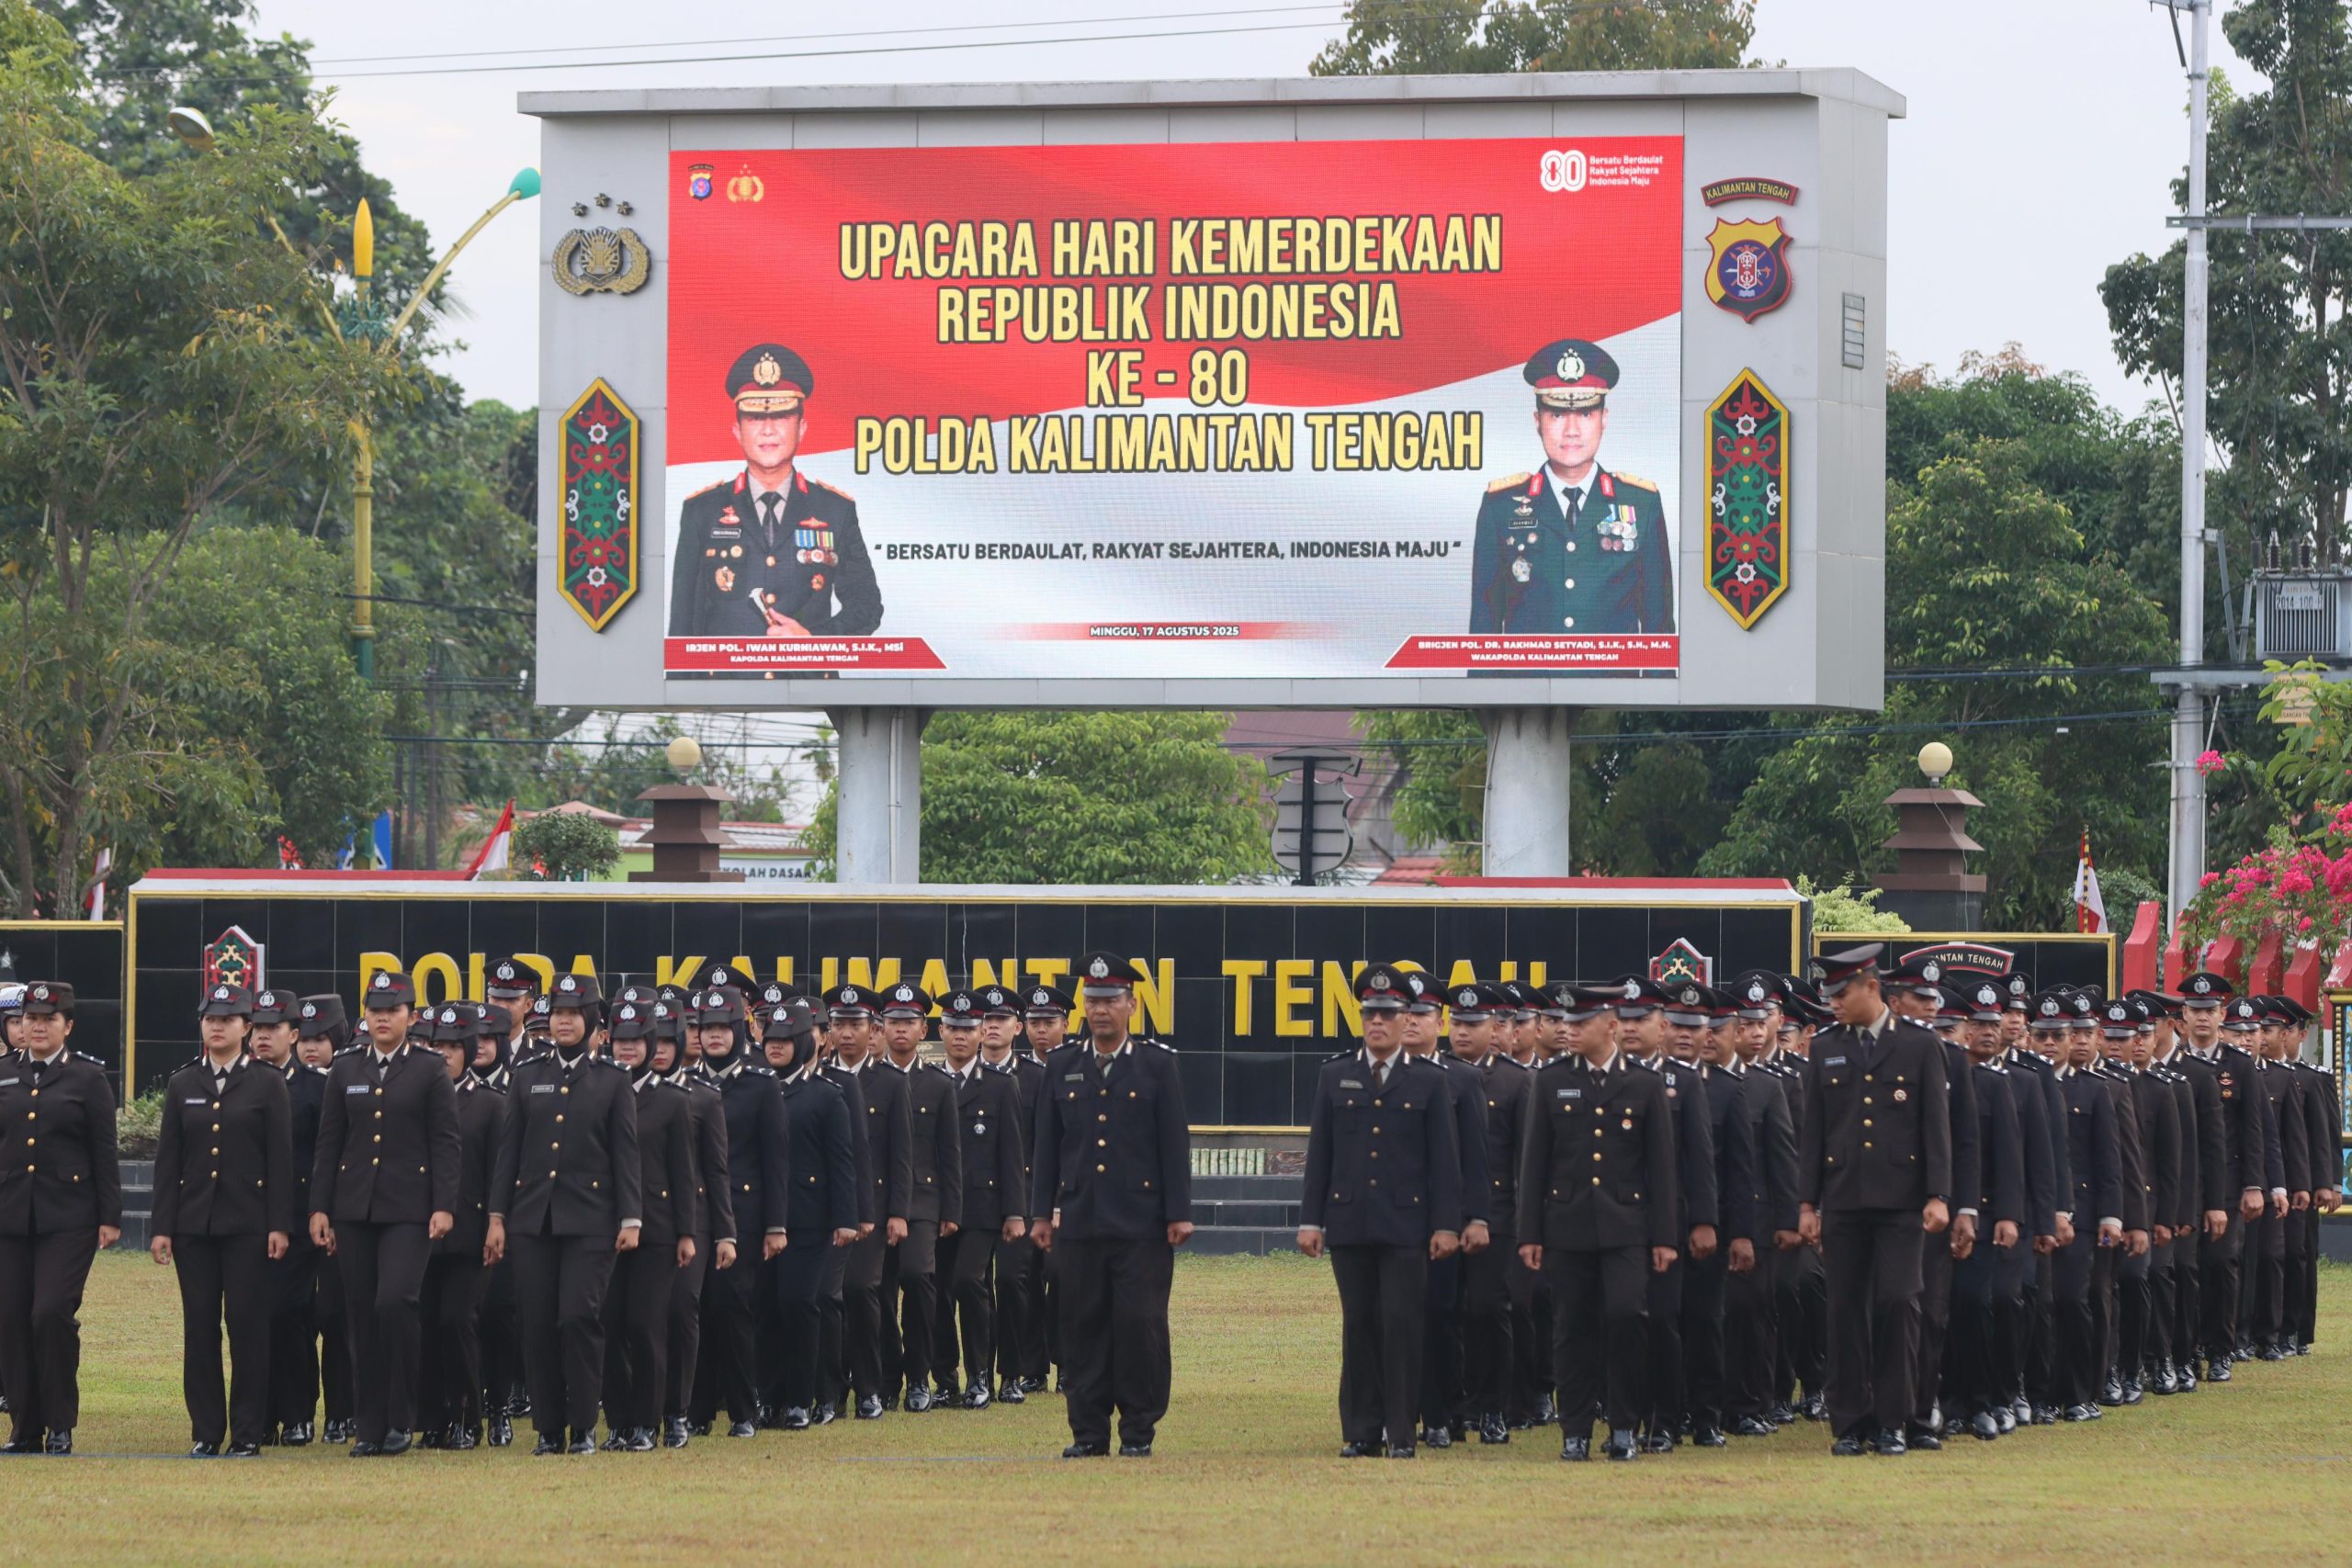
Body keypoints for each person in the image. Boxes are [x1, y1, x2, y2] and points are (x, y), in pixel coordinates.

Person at [1028, 950, 1193, 1459]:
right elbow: (1047, 1146)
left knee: (1140, 1325)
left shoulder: (1157, 1065)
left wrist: (1178, 1212)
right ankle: (1088, 1432)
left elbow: (1174, 1143)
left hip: (1141, 1224)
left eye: (1112, 1000)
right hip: (1079, 1220)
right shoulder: (1063, 1065)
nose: (1101, 1009)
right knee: (1082, 1327)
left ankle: (1139, 1431)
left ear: (1132, 1005)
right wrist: (1040, 1213)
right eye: (1093, 1000)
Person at [1298, 967, 1463, 1458]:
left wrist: (1446, 1224)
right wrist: (1311, 1220)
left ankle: (1401, 1431)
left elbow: (1444, 1161)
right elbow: (1320, 1154)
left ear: (1403, 1019)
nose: (1378, 1023)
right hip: (1350, 1222)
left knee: (1401, 1323)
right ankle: (1362, 1430)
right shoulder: (1335, 1075)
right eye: (1370, 1013)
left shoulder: (1430, 1081)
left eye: (1388, 1014)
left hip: (1406, 1225)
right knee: (1360, 1324)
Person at [1798, 945, 1951, 1457]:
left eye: (1842, 993)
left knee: (1897, 1304)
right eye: (1829, 995)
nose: (1834, 1003)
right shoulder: (1824, 1048)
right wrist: (1806, 1204)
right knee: (1844, 1311)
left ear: (1871, 987)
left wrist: (1938, 1194)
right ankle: (1850, 1422)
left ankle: (1895, 1419)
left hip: (1901, 1202)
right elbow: (1814, 1133)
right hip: (1843, 1200)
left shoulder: (1918, 1045)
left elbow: (1935, 1126)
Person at [1516, 983, 1679, 1461]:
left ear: (1610, 1026)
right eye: (1567, 1022)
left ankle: (1625, 1424)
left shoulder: (1645, 1084)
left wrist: (1664, 1237)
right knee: (1572, 1327)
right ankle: (1575, 1428)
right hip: (1567, 1225)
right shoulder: (1550, 1081)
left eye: (1581, 1023)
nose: (1570, 1031)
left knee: (1627, 1317)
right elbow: (1535, 1164)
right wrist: (1530, 1233)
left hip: (1627, 1226)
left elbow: (1661, 1168)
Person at [485, 972, 640, 1456]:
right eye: (557, 1013)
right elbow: (508, 1152)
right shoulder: (528, 1075)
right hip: (533, 1220)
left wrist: (631, 1218)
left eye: (574, 1014)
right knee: (536, 1321)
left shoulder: (613, 1079)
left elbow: (625, 1154)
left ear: (593, 1022)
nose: (564, 1022)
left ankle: (583, 1426)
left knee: (578, 1317)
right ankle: (549, 1429)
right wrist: (496, 1217)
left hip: (593, 1221)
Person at [310, 972, 461, 1460]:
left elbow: (445, 1141)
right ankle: (369, 1425)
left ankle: (402, 1417)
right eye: (374, 1009)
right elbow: (329, 1143)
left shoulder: (429, 1069)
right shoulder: (347, 1068)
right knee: (360, 1315)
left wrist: (443, 1204)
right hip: (354, 1207)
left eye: (391, 1010)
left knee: (395, 1303)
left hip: (410, 1209)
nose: (381, 1017)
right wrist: (320, 1207)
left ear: (410, 1017)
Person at [151, 981, 294, 1459]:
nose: (216, 1026)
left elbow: (280, 1161)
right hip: (194, 1227)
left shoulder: (267, 1083)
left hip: (249, 1225)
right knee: (201, 1327)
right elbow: (168, 1163)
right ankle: (207, 1431)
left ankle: (248, 1431)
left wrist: (279, 1224)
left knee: (248, 1326)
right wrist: (162, 1228)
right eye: (210, 1018)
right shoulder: (182, 1083)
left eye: (227, 1019)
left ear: (246, 1027)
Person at [668, 342, 882, 638]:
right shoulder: (701, 512)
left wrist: (813, 641)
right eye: (755, 417)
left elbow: (867, 608)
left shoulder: (835, 511)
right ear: (737, 430)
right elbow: (683, 626)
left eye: (781, 416)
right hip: (727, 685)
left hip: (806, 682)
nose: (768, 430)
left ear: (802, 428)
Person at [1469, 337, 1672, 637]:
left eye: (1586, 414)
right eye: (1557, 414)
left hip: (1614, 684)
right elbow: (1483, 632)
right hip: (1530, 684)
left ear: (1604, 419)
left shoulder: (1641, 504)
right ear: (1538, 421)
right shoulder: (1500, 506)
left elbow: (1660, 632)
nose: (1572, 431)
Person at [0, 982, 119, 1456]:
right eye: (30, 1018)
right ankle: (25, 1428)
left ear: (67, 1025)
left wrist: (109, 1216)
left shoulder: (88, 1078)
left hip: (69, 1217)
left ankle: (60, 1422)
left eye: (48, 1019)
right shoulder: (4, 1073)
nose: (37, 1026)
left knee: (50, 1313)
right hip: (10, 1215)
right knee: (10, 1318)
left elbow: (104, 1153)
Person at [1615, 975, 1717, 1453]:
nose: (1632, 1028)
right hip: (1612, 1221)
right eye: (1626, 1019)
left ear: (1661, 1025)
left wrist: (1702, 1220)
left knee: (1662, 1321)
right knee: (1618, 1322)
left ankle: (1665, 1418)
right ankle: (1622, 1417)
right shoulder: (1597, 1076)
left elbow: (1699, 1159)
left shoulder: (1682, 1080)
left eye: (1643, 1019)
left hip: (1664, 1223)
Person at [597, 998, 697, 1452]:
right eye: (621, 1040)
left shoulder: (673, 1101)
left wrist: (686, 1232)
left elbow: (684, 1173)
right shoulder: (594, 1092)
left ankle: (647, 1422)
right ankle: (617, 1420)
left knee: (645, 1324)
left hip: (656, 1229)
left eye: (637, 1041)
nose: (628, 1049)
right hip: (601, 1226)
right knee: (608, 1324)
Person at [688, 986, 787, 1437]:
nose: (713, 1037)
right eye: (706, 1028)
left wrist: (775, 1225)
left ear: (738, 1031)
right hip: (696, 1213)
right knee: (699, 1308)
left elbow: (775, 1160)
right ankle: (699, 1409)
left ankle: (745, 1411)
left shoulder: (760, 1082)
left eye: (721, 1029)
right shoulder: (687, 1084)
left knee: (733, 1308)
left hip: (744, 1215)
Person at [1663, 983, 1758, 1449]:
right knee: (1662, 1321)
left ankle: (1705, 1416)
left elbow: (1742, 1171)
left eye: (1695, 1027)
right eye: (1677, 1026)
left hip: (1709, 1226)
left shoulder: (1727, 1090)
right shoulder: (1644, 1082)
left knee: (1704, 1321)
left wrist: (1740, 1234)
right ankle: (1665, 1413)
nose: (1685, 1035)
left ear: (1710, 1034)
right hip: (1655, 1224)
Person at [763, 999, 859, 1427]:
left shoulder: (826, 1095)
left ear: (805, 1043)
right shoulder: (755, 1088)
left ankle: (804, 1398)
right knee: (765, 1304)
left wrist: (846, 1218)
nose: (776, 1047)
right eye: (771, 1039)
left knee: (800, 1302)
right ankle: (770, 1397)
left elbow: (842, 1161)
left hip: (809, 1217)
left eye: (786, 1040)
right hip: (761, 1216)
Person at [931, 989, 1027, 1408]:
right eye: (952, 1028)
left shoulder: (1002, 1087)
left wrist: (1015, 1212)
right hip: (933, 1207)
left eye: (968, 1028)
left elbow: (1012, 1154)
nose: (960, 1036)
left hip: (982, 1209)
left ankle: (980, 1375)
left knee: (970, 1282)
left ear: (979, 1032)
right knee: (936, 1292)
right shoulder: (927, 1082)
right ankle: (946, 1378)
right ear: (940, 1031)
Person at [1446, 982, 1529, 1444]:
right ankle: (1454, 1407)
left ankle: (1493, 1406)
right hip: (1444, 1215)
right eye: (1457, 1023)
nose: (1463, 1032)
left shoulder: (1516, 1081)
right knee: (1446, 1311)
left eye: (1473, 1025)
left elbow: (1523, 1159)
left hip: (1499, 1216)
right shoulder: (1438, 1074)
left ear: (1494, 1028)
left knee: (1489, 1309)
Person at [823, 982, 910, 1419]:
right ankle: (833, 1389)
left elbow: (900, 1154)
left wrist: (897, 1212)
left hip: (871, 1211)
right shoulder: (819, 1075)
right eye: (839, 1024)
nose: (848, 1033)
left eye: (856, 1024)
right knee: (829, 1297)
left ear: (872, 1028)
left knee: (861, 1291)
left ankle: (872, 1388)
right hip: (825, 1210)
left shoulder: (891, 1083)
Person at [417, 1003, 499, 1450]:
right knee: (426, 1324)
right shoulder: (417, 1098)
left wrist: (494, 1224)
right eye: (438, 1045)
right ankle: (432, 1418)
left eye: (454, 1046)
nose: (445, 1054)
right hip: (421, 1234)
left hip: (471, 1234)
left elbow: (498, 1172)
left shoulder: (489, 1104)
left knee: (456, 1321)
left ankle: (468, 1416)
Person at [876, 982, 961, 1412]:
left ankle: (919, 1375)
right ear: (883, 1027)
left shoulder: (938, 1084)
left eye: (909, 1022)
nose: (901, 1030)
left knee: (917, 1278)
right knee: (879, 1289)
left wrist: (952, 1210)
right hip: (878, 1201)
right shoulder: (869, 1081)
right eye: (893, 1022)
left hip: (924, 1203)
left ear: (923, 1028)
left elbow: (950, 1153)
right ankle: (888, 1375)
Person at [251, 989, 326, 1447]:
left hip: (300, 1220)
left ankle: (298, 1411)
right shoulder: (239, 1084)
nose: (263, 1036)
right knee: (251, 1318)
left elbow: (327, 1154)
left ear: (293, 1035)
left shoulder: (316, 1087)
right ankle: (261, 1413)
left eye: (273, 1029)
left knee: (291, 1313)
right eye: (257, 1028)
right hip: (248, 1219)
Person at [659, 997, 733, 1447]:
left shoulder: (704, 1096)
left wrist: (725, 1231)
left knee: (682, 1309)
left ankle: (678, 1411)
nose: (662, 1049)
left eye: (672, 1039)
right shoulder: (619, 1089)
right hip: (640, 1217)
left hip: (695, 1220)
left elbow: (717, 1169)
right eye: (656, 1039)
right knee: (638, 1317)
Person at [989, 985, 1056, 1402]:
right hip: (983, 1198)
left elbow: (1053, 1141)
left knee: (1022, 1281)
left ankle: (1033, 1367)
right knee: (1003, 1284)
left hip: (1032, 1196)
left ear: (1016, 1027)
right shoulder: (966, 1078)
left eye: (1001, 1020)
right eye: (987, 1020)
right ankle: (1018, 1370)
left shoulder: (1037, 1078)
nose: (992, 1027)